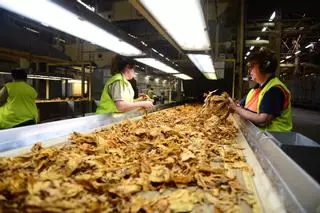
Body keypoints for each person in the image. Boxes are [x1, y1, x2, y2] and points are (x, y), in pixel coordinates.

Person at [229, 49, 292, 132]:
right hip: (258, 136)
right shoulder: (256, 89)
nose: (249, 71)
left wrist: (236, 108)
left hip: (274, 139)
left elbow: (263, 120)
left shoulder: (275, 90)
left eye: (252, 67)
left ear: (263, 68)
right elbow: (240, 106)